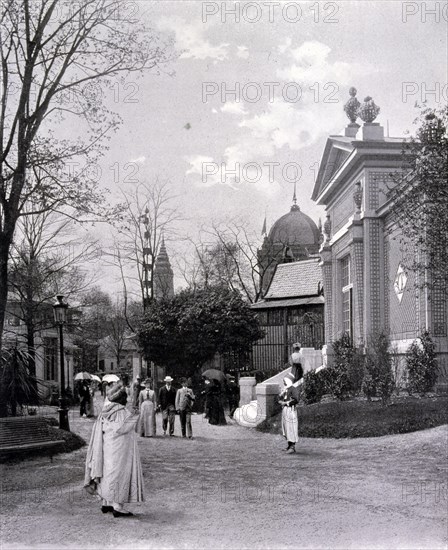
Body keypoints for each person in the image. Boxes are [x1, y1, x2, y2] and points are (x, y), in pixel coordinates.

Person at [84, 380, 145, 517]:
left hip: (107, 447)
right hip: (120, 449)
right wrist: (135, 415)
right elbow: (122, 428)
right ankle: (117, 506)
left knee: (107, 473)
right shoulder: (121, 411)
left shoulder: (105, 410)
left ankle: (106, 502)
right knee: (119, 473)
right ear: (122, 399)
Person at [279, 377, 299, 453]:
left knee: (291, 427)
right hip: (285, 410)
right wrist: (281, 396)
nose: (284, 383)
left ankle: (292, 447)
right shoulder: (286, 389)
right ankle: (289, 445)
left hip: (291, 410)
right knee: (286, 427)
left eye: (285, 381)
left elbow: (296, 400)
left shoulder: (293, 389)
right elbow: (281, 398)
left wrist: (286, 403)